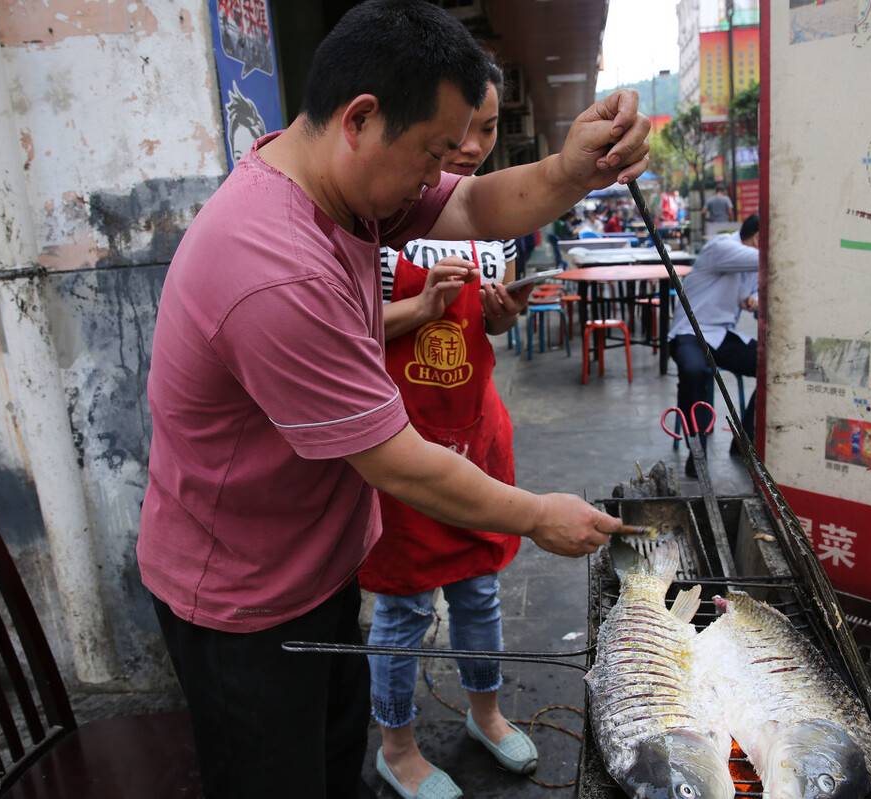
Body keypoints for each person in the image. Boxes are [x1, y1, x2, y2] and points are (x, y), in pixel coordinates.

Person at [135, 2, 651, 797]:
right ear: (361, 119)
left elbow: (477, 207)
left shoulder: (339, 185)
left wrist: (570, 170)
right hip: (242, 598)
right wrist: (537, 512)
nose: (440, 172)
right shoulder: (274, 265)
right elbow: (395, 459)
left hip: (312, 562)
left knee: (334, 763)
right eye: (433, 151)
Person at [357, 64, 538, 799]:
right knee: (402, 606)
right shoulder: (378, 211)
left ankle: (485, 715)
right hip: (401, 440)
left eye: (488, 128)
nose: (472, 145)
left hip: (475, 429)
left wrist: (500, 314)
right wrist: (423, 311)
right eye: (460, 129)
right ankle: (395, 746)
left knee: (478, 591)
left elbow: (490, 326)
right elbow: (347, 330)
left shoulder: (498, 214)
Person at [667, 213, 761, 477]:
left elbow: (748, 291)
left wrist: (751, 298)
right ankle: (697, 451)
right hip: (690, 333)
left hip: (722, 335)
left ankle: (745, 440)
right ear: (758, 238)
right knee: (694, 371)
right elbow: (768, 260)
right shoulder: (721, 247)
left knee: (771, 368)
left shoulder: (748, 259)